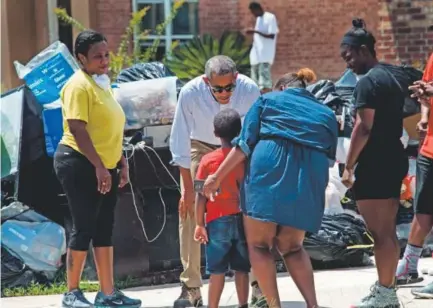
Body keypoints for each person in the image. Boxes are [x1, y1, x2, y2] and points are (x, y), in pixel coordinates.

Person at [203, 68, 339, 308]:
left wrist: (216, 177)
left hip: (270, 167)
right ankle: (312, 305)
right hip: (309, 173)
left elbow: (244, 145)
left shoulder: (267, 100)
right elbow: (329, 158)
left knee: (258, 245)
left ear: (283, 88)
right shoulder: (326, 113)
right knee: (293, 246)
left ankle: (275, 306)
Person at [54, 30, 141, 308]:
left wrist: (120, 160)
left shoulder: (102, 83)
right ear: (81, 59)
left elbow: (109, 127)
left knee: (104, 228)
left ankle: (107, 293)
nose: (104, 61)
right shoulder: (78, 86)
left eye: (106, 55)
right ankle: (72, 293)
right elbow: (77, 128)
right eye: (97, 56)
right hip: (79, 162)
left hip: (106, 164)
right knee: (83, 226)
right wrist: (100, 167)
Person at [169, 55, 263, 307]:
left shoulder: (250, 89)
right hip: (201, 152)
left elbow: (256, 133)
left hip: (238, 150)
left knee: (250, 210)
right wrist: (188, 189)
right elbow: (179, 141)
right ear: (205, 80)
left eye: (229, 87)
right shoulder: (190, 93)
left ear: (236, 78)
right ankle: (191, 286)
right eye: (217, 88)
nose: (224, 93)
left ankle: (258, 283)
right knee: (191, 210)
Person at [340, 19, 409, 308]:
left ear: (365, 50)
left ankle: (386, 294)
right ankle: (386, 289)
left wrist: (348, 165)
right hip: (394, 157)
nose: (348, 63)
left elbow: (363, 127)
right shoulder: (391, 76)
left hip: (375, 164)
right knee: (387, 232)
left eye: (350, 56)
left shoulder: (367, 82)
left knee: (381, 234)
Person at [194, 109, 250, 308]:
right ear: (240, 131)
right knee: (242, 268)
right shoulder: (244, 158)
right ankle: (243, 304)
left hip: (216, 221)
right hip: (244, 219)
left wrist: (199, 224)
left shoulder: (207, 160)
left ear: (215, 133)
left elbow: (200, 195)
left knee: (216, 271)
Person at [396, 53, 433, 299]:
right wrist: (424, 114)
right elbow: (428, 93)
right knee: (423, 208)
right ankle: (409, 265)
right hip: (429, 148)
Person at [244, 1, 279, 94]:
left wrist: (255, 31)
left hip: (265, 55)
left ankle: (267, 95)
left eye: (253, 12)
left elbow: (272, 35)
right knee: (254, 81)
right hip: (256, 55)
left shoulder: (270, 17)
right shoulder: (259, 19)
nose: (253, 14)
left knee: (264, 82)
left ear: (258, 9)